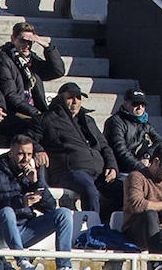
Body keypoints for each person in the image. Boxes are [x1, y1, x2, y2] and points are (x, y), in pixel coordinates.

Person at [0, 134, 85, 270]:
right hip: (1, 231)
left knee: (64, 213)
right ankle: (23, 263)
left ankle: (64, 267)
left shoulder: (30, 172)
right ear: (10, 153)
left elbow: (51, 206)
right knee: (7, 212)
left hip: (25, 229)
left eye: (29, 154)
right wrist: (20, 202)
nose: (26, 158)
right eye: (20, 154)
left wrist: (36, 182)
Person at [38, 80, 118, 217]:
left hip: (98, 173)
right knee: (89, 190)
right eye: (70, 97)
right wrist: (38, 149)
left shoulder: (88, 120)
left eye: (78, 98)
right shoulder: (48, 119)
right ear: (60, 99)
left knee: (123, 189)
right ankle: (93, 232)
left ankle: (115, 230)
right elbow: (28, 137)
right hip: (70, 171)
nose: (75, 101)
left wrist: (112, 165)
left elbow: (105, 146)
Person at [103, 88, 162, 178]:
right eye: (135, 104)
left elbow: (160, 142)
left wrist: (147, 155)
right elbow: (120, 151)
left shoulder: (144, 123)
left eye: (143, 105)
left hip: (140, 167)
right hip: (122, 169)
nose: (140, 108)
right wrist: (142, 168)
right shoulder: (115, 122)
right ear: (125, 103)